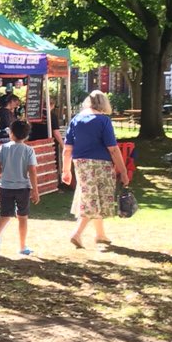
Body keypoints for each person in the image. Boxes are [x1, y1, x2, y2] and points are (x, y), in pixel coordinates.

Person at [61, 90, 129, 248]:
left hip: (81, 164)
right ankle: (77, 234)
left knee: (91, 196)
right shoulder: (103, 121)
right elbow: (113, 148)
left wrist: (66, 170)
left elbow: (67, 149)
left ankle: (100, 235)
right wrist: (123, 171)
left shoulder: (76, 120)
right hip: (101, 164)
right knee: (93, 199)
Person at [0, 119, 40, 256]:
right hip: (23, 187)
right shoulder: (29, 150)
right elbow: (32, 170)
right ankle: (22, 246)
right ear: (27, 136)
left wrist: (2, 174)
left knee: (4, 214)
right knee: (22, 217)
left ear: (11, 133)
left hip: (5, 186)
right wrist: (35, 190)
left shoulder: (3, 148)